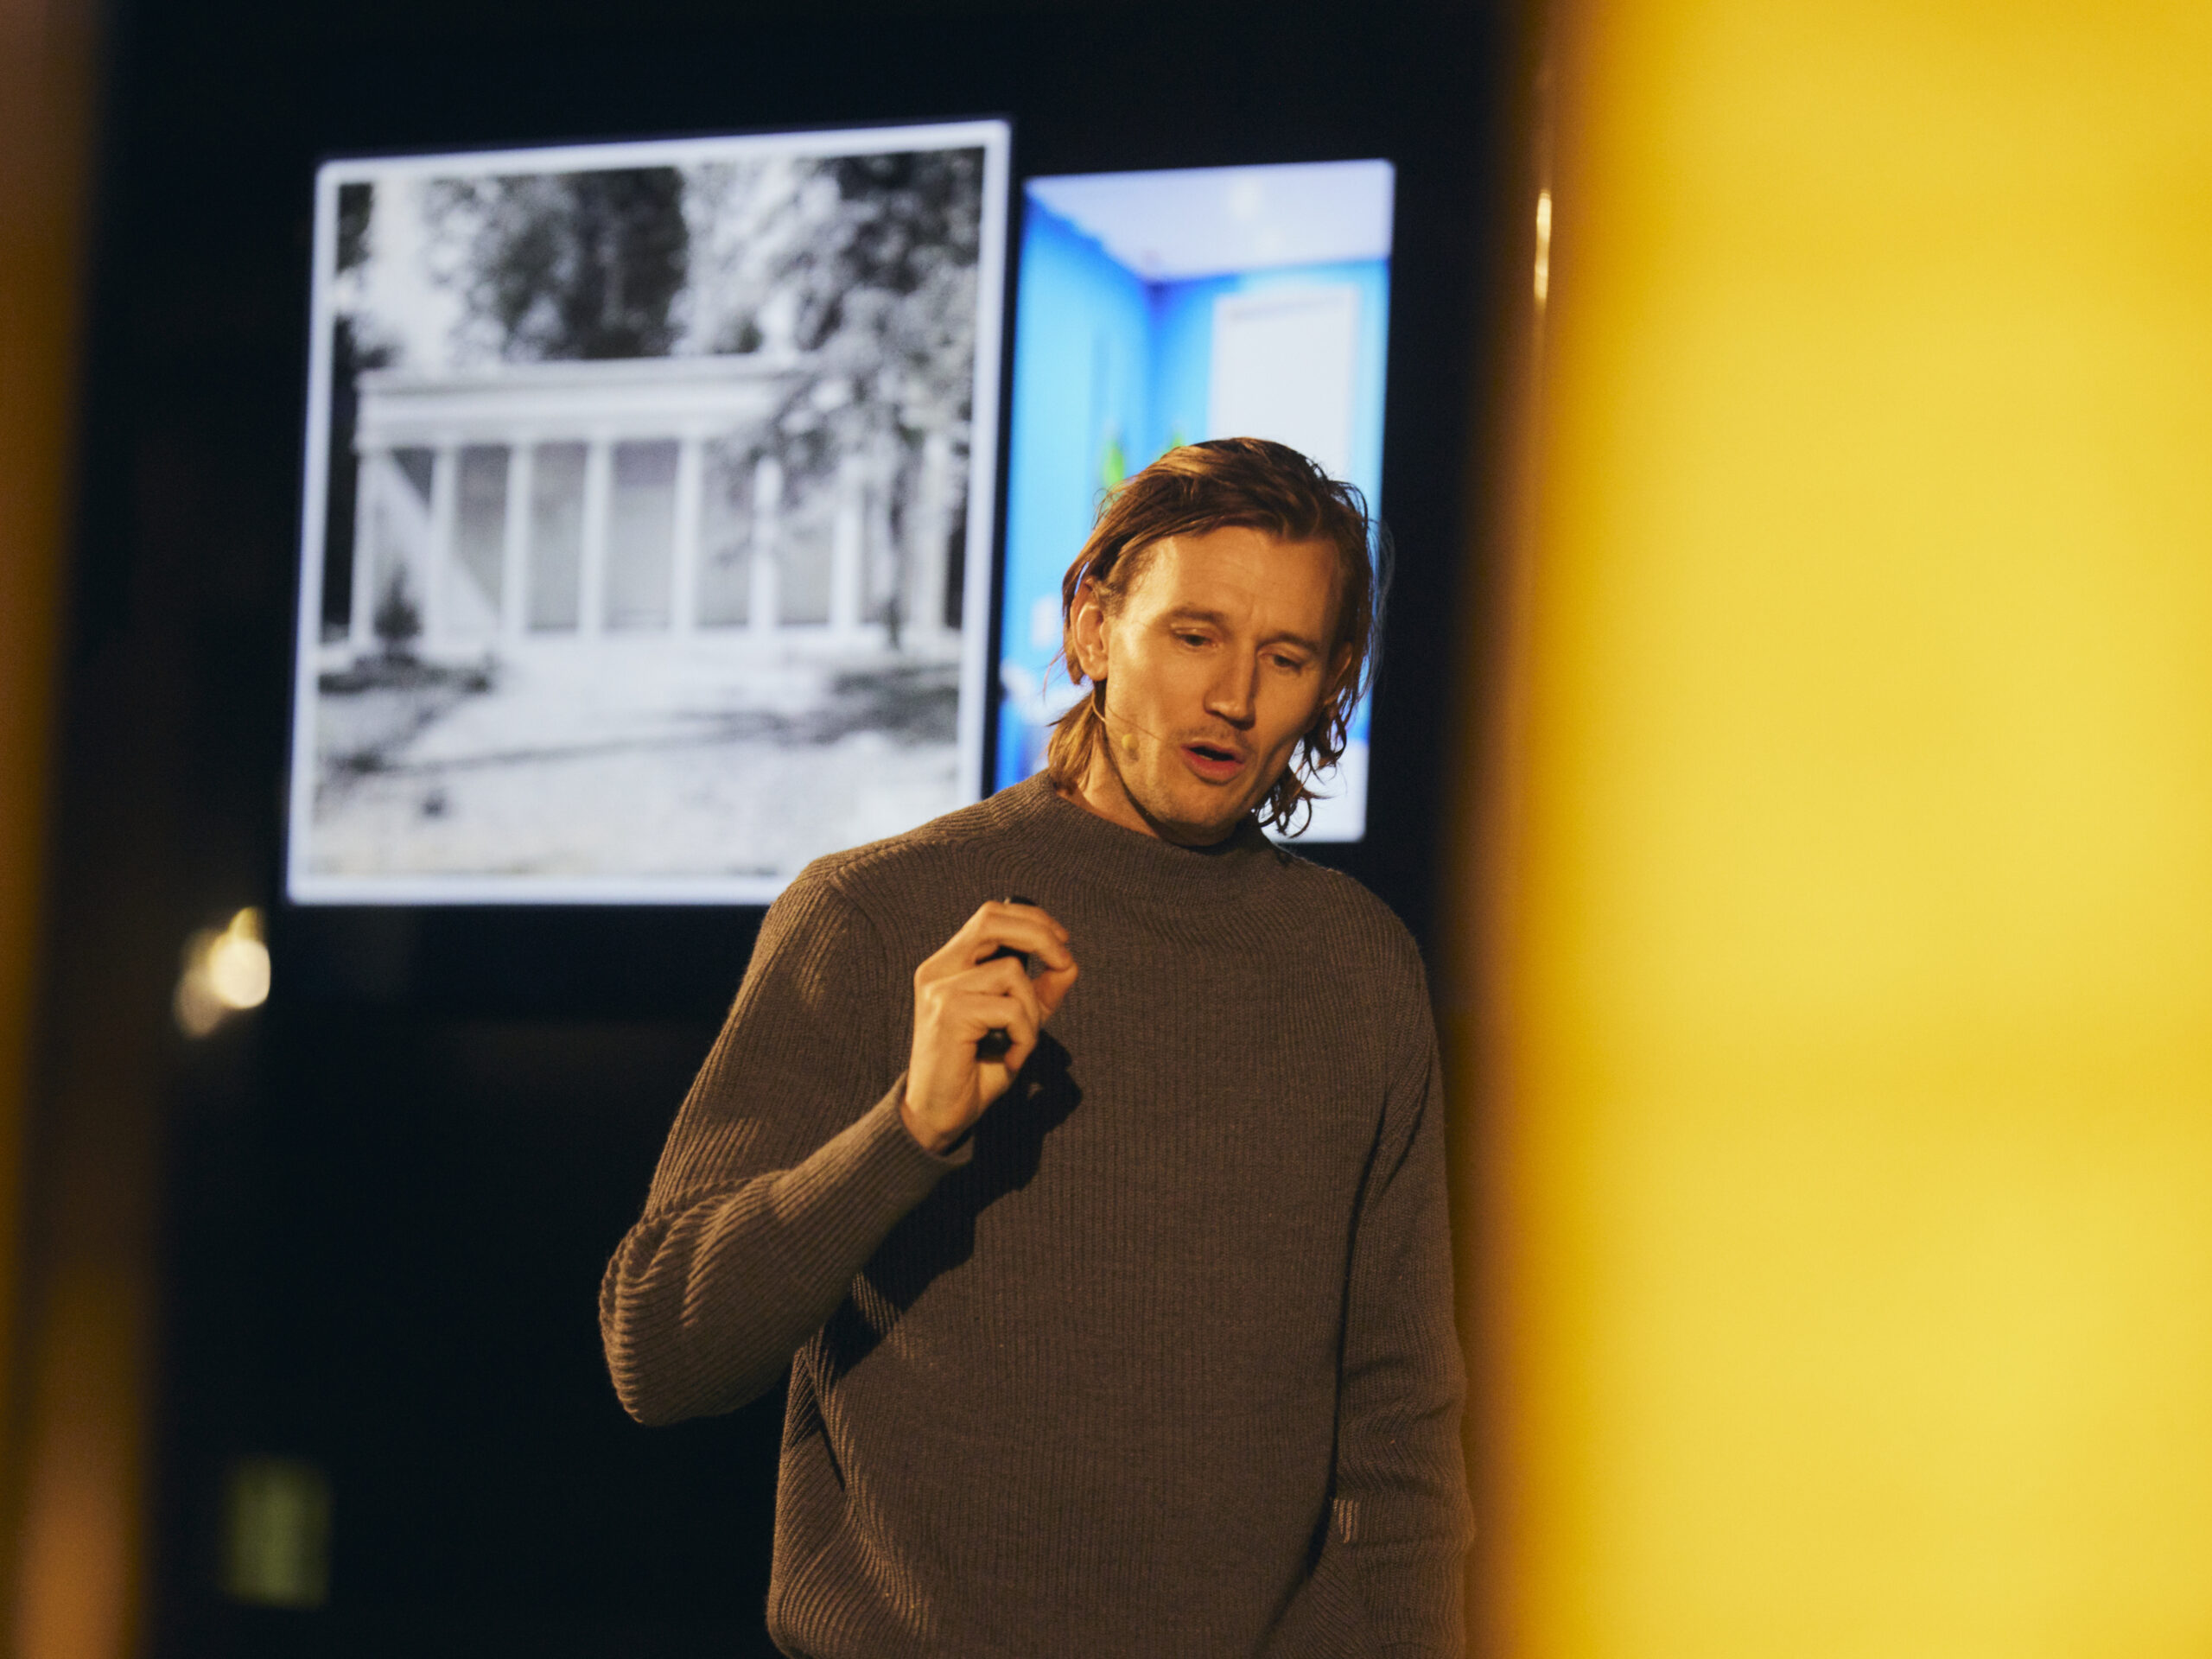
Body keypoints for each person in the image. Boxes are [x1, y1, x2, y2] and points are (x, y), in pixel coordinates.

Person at [601, 437, 1470, 1656]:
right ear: (1093, 628)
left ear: (1330, 685)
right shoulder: (870, 915)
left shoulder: (1358, 968)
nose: (1234, 698)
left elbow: (1401, 1431)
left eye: (1285, 658)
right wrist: (907, 1133)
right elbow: (659, 1350)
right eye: (1195, 636)